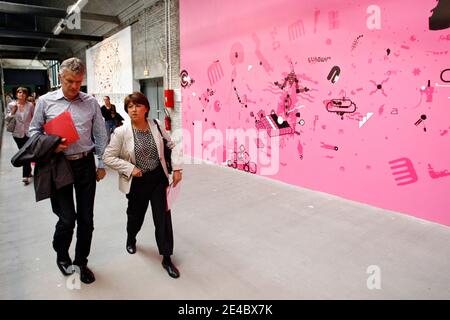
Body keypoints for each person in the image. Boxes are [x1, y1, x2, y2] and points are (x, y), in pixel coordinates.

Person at [29, 57, 108, 284]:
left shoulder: (90, 102)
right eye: (70, 81)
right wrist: (51, 144)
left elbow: (101, 134)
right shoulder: (45, 102)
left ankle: (81, 262)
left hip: (85, 164)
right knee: (67, 219)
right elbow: (34, 132)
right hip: (59, 165)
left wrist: (101, 163)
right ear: (60, 78)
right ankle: (62, 255)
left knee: (86, 218)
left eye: (79, 82)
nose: (75, 86)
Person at [103, 92, 183, 278]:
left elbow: (171, 145)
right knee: (135, 217)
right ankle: (131, 237)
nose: (133, 110)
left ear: (145, 108)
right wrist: (130, 168)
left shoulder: (155, 125)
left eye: (137, 106)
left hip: (158, 179)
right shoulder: (121, 132)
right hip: (137, 183)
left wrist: (177, 168)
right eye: (130, 107)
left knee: (162, 218)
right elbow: (108, 157)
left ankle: (166, 257)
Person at [5, 87, 34, 185]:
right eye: (19, 92)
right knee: (24, 152)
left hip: (29, 133)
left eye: (23, 93)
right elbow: (7, 119)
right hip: (17, 134)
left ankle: (25, 175)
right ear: (16, 94)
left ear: (26, 95)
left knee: (26, 152)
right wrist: (12, 112)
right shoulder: (11, 105)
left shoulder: (30, 105)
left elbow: (34, 117)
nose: (21, 94)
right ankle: (28, 171)